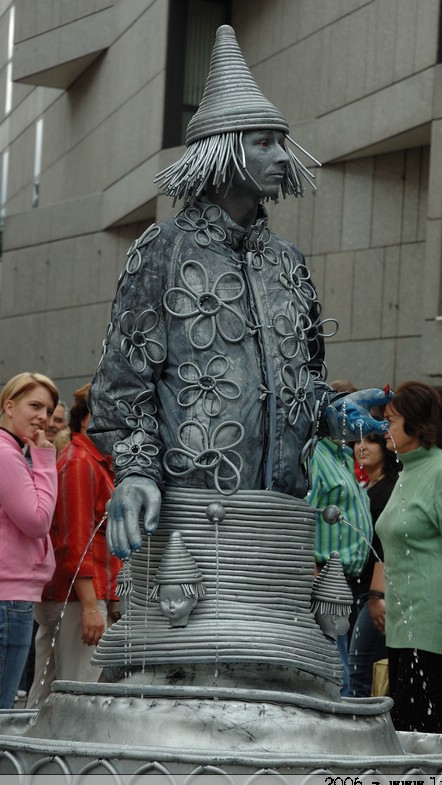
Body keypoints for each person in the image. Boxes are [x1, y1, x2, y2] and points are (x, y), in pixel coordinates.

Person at [87, 25, 388, 688]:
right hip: (191, 532)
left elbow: (302, 382)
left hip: (276, 535)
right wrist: (137, 473)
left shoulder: (289, 264)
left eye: (281, 140)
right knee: (177, 696)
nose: (285, 155)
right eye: (265, 141)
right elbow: (119, 391)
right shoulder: (161, 252)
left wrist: (331, 416)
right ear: (226, 151)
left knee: (282, 699)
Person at [375, 381, 442, 733]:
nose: (383, 428)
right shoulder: (409, 470)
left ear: (417, 424)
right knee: (404, 725)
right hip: (402, 622)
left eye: (391, 420)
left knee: (419, 728)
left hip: (431, 623)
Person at [27, 384, 120, 708]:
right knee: (75, 697)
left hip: (81, 595)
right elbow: (75, 541)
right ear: (89, 418)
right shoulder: (81, 461)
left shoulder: (92, 460)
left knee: (53, 694)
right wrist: (92, 606)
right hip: (77, 597)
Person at [0, 372, 58, 708]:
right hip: (10, 596)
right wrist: (46, 463)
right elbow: (37, 521)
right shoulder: (8, 455)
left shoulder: (13, 452)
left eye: (48, 410)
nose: (43, 417)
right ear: (9, 405)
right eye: (34, 405)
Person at [306, 415, 373, 696]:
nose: (357, 423)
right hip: (326, 576)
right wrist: (310, 570)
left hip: (347, 580)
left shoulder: (344, 455)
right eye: (350, 413)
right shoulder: (317, 454)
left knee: (346, 667)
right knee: (338, 672)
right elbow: (302, 512)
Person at [348, 433, 401, 697]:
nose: (361, 447)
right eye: (357, 441)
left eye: (370, 441)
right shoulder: (366, 485)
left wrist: (377, 593)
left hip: (378, 590)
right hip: (361, 587)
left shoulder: (391, 487)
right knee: (360, 666)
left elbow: (386, 543)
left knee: (361, 668)